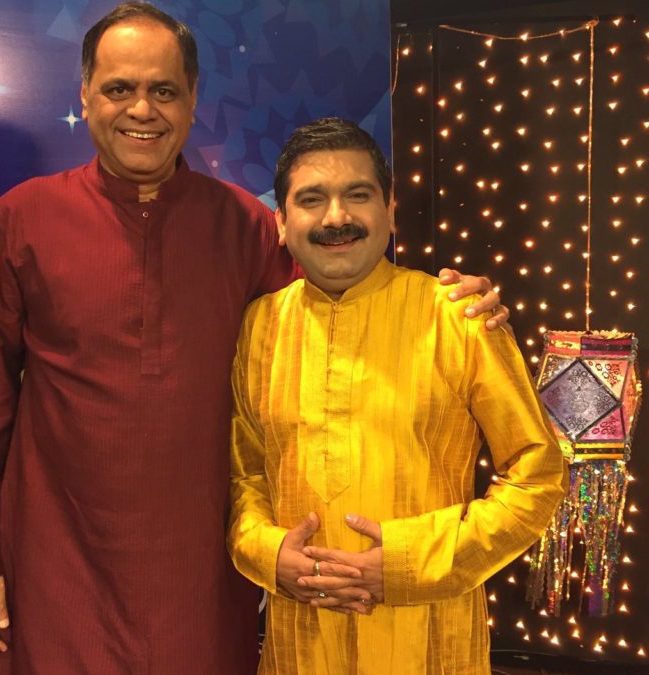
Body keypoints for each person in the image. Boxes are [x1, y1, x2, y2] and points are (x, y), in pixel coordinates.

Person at [0, 4, 508, 674]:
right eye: (120, 88)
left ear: (192, 102)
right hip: (56, 557)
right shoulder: (25, 217)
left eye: (164, 90)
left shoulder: (243, 225)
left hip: (201, 570)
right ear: (85, 95)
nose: (142, 109)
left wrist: (451, 300)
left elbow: (342, 311)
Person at [226, 117, 567, 675]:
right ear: (282, 224)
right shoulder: (259, 327)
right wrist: (267, 553)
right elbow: (246, 476)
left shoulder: (458, 317)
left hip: (428, 640)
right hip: (301, 642)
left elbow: (538, 477)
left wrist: (410, 563)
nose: (336, 217)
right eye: (311, 199)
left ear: (389, 211)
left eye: (358, 195)